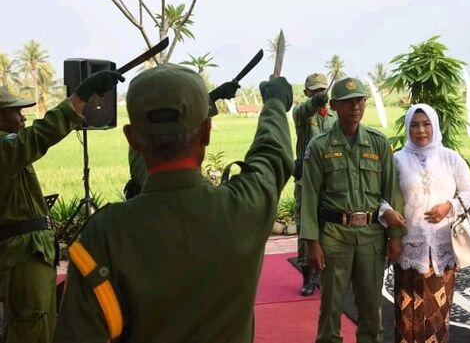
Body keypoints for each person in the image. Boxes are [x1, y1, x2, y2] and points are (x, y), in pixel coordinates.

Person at [53, 64, 294, 343]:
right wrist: (274, 104)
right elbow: (271, 156)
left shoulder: (105, 233)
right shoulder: (244, 208)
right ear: (206, 131)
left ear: (132, 139)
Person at [0, 70, 123, 343]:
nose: (22, 117)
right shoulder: (6, 150)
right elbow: (39, 136)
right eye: (14, 111)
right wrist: (79, 98)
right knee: (29, 330)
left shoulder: (11, 153)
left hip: (32, 256)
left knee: (41, 327)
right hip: (20, 259)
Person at [300, 77, 406, 343]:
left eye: (360, 100)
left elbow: (391, 190)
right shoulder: (320, 146)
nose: (355, 106)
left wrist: (395, 236)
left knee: (372, 310)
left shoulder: (378, 143)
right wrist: (311, 243)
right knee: (331, 310)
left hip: (371, 237)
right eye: (348, 102)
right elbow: (309, 196)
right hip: (335, 237)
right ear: (334, 105)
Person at [387, 103, 470, 343]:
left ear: (435, 126)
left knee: (437, 315)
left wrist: (449, 206)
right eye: (415, 125)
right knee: (406, 316)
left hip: (442, 248)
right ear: (408, 127)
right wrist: (389, 217)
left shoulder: (450, 158)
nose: (421, 130)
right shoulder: (397, 160)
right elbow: (382, 197)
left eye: (426, 124)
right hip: (409, 246)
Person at [123, 79, 241, 199]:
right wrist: (216, 95)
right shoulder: (218, 208)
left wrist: (216, 95)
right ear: (206, 131)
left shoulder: (141, 130)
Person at [292, 73, 337, 296]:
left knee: (330, 224)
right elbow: (305, 110)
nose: (320, 94)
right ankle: (308, 275)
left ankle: (328, 272)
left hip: (330, 177)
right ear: (307, 93)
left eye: (323, 90)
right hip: (306, 178)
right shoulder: (301, 113)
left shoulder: (334, 116)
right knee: (305, 226)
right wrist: (314, 103)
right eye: (315, 91)